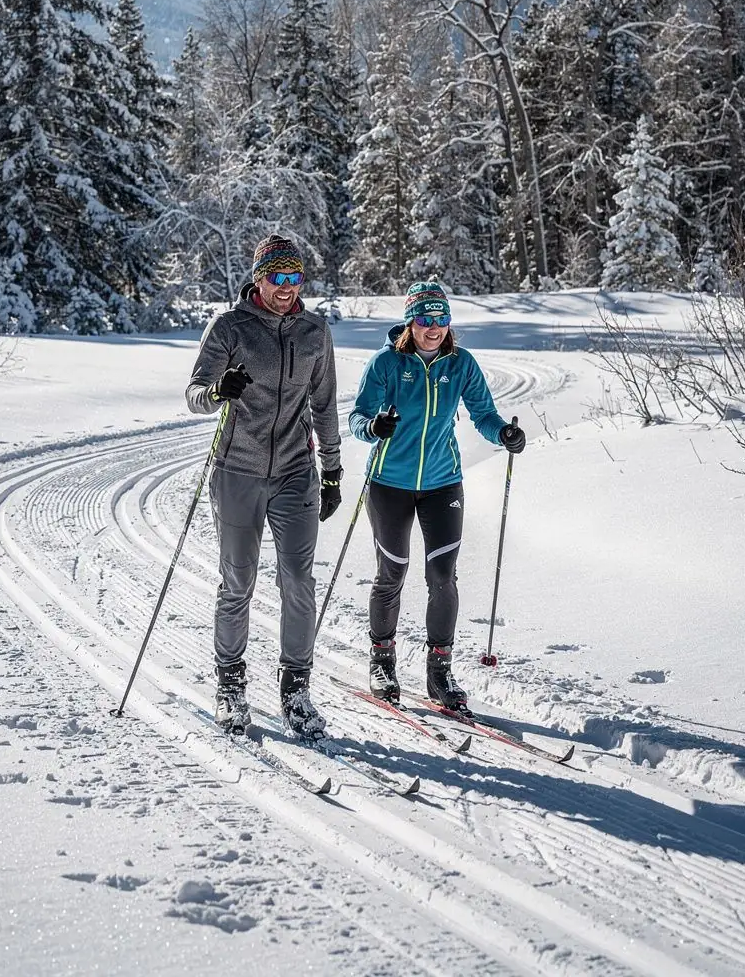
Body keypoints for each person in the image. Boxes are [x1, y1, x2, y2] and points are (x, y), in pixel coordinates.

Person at [186, 233, 342, 737]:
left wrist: (334, 469)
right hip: (238, 471)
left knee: (298, 582)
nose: (287, 287)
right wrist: (216, 391)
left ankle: (296, 691)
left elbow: (325, 404)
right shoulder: (229, 327)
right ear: (259, 278)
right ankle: (231, 688)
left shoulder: (315, 331)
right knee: (238, 583)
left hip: (297, 471)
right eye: (278, 277)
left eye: (295, 278)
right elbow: (193, 394)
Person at [349, 278, 525, 711]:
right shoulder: (386, 364)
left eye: (441, 319)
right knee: (391, 575)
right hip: (389, 483)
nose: (434, 327)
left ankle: (439, 671)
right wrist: (374, 428)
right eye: (425, 319)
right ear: (410, 321)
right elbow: (357, 416)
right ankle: (383, 661)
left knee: (442, 577)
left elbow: (483, 413)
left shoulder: (460, 363)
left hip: (443, 482)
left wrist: (503, 433)